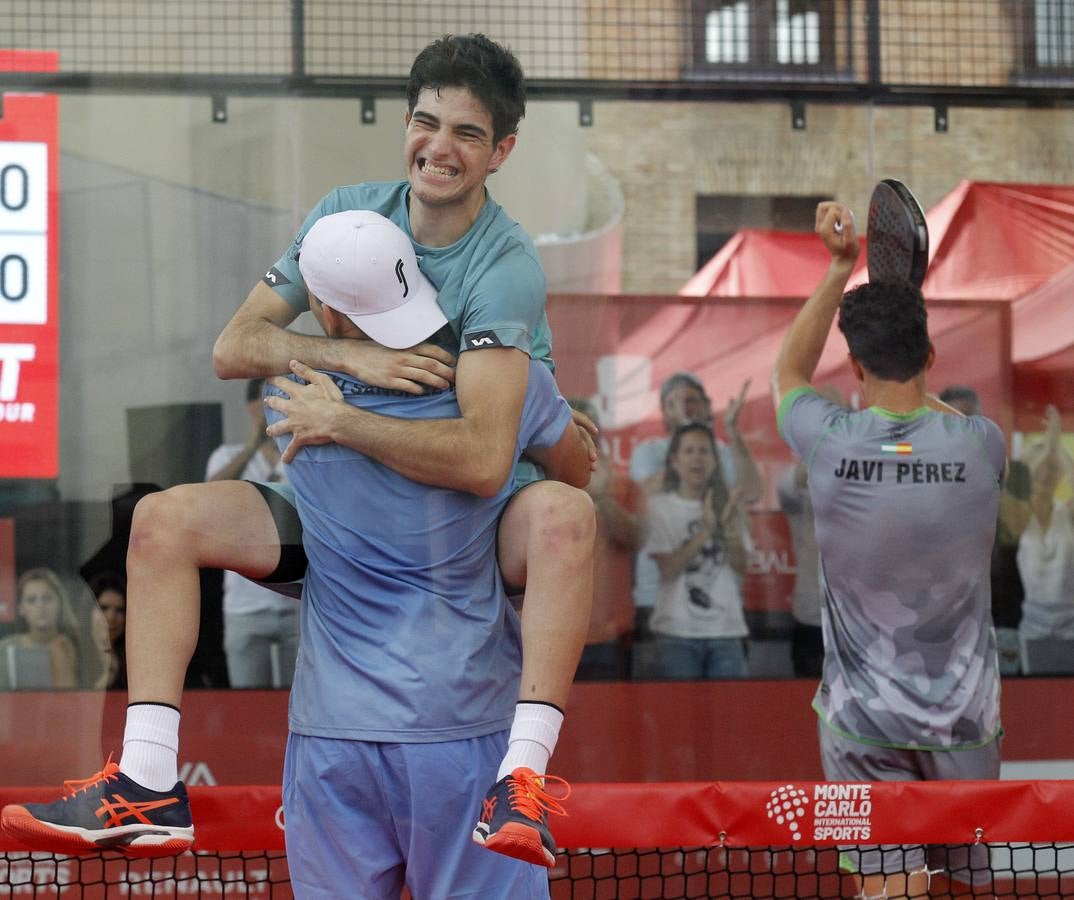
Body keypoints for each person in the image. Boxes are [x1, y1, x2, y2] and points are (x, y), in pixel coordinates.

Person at [0, 34, 595, 866]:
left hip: (468, 532)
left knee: (566, 514)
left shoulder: (503, 269)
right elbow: (235, 345)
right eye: (426, 122)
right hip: (336, 530)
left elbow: (488, 462)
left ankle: (522, 776)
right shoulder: (346, 213)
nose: (438, 148)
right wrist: (351, 358)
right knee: (162, 523)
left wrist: (346, 417)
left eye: (466, 133)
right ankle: (146, 781)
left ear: (502, 150)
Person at [262, 210, 589, 895]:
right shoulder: (513, 387)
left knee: (164, 522)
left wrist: (345, 407)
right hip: (465, 733)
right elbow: (577, 473)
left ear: (320, 308)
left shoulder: (285, 398)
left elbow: (241, 345)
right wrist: (540, 428)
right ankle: (528, 769)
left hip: (333, 736)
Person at [772, 202, 1006, 899]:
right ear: (930, 359)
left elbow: (789, 371)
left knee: (892, 896)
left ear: (854, 362)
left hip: (864, 726)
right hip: (965, 725)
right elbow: (937, 416)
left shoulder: (827, 439)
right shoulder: (981, 445)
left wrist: (842, 265)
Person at [629, 374, 761, 677]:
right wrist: (685, 441)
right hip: (658, 600)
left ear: (706, 407)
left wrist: (732, 432)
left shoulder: (722, 451)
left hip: (721, 606)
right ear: (663, 412)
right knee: (669, 711)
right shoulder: (649, 451)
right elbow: (644, 496)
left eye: (692, 400)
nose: (685, 407)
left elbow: (751, 492)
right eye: (673, 403)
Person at [205, 379, 298, 689]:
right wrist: (252, 446)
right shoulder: (227, 456)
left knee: (298, 700)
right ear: (250, 408)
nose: (272, 408)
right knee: (246, 704)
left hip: (297, 604)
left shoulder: (303, 454)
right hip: (245, 607)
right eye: (265, 402)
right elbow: (208, 501)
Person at [642, 421, 752, 679]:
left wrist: (729, 530)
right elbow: (667, 570)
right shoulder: (660, 507)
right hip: (675, 635)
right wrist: (706, 532)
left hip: (727, 633)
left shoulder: (728, 504)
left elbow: (741, 565)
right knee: (677, 719)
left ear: (715, 461)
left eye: (704, 451)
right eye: (689, 451)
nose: (697, 459)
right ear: (674, 461)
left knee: (731, 718)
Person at [940, 384, 1032, 675]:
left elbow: (1016, 528)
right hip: (948, 614)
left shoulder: (1014, 473)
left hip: (1006, 607)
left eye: (971, 420)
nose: (964, 431)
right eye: (954, 423)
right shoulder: (927, 477)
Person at [569, 398, 642, 681]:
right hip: (551, 632)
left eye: (589, 431)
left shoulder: (622, 485)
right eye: (576, 430)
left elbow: (636, 539)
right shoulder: (540, 481)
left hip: (608, 634)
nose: (584, 439)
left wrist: (602, 496)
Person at [777, 386, 845, 679]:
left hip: (860, 626)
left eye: (840, 419)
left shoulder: (870, 476)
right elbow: (790, 486)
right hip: (812, 620)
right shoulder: (801, 481)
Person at [1017, 404, 1074, 665]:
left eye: (1052, 470)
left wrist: (1056, 449)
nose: (1046, 475)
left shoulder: (1067, 513)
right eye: (1041, 468)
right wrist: (1045, 452)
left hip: (1071, 630)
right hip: (1033, 631)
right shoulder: (1017, 515)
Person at [0, 568, 80, 690]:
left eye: (47, 598)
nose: (40, 606)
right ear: (21, 608)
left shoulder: (77, 646)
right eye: (32, 600)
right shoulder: (4, 648)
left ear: (59, 603)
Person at [88, 571, 128, 689]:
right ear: (89, 611)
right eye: (103, 608)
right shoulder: (73, 653)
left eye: (120, 610)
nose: (111, 617)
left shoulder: (134, 659)